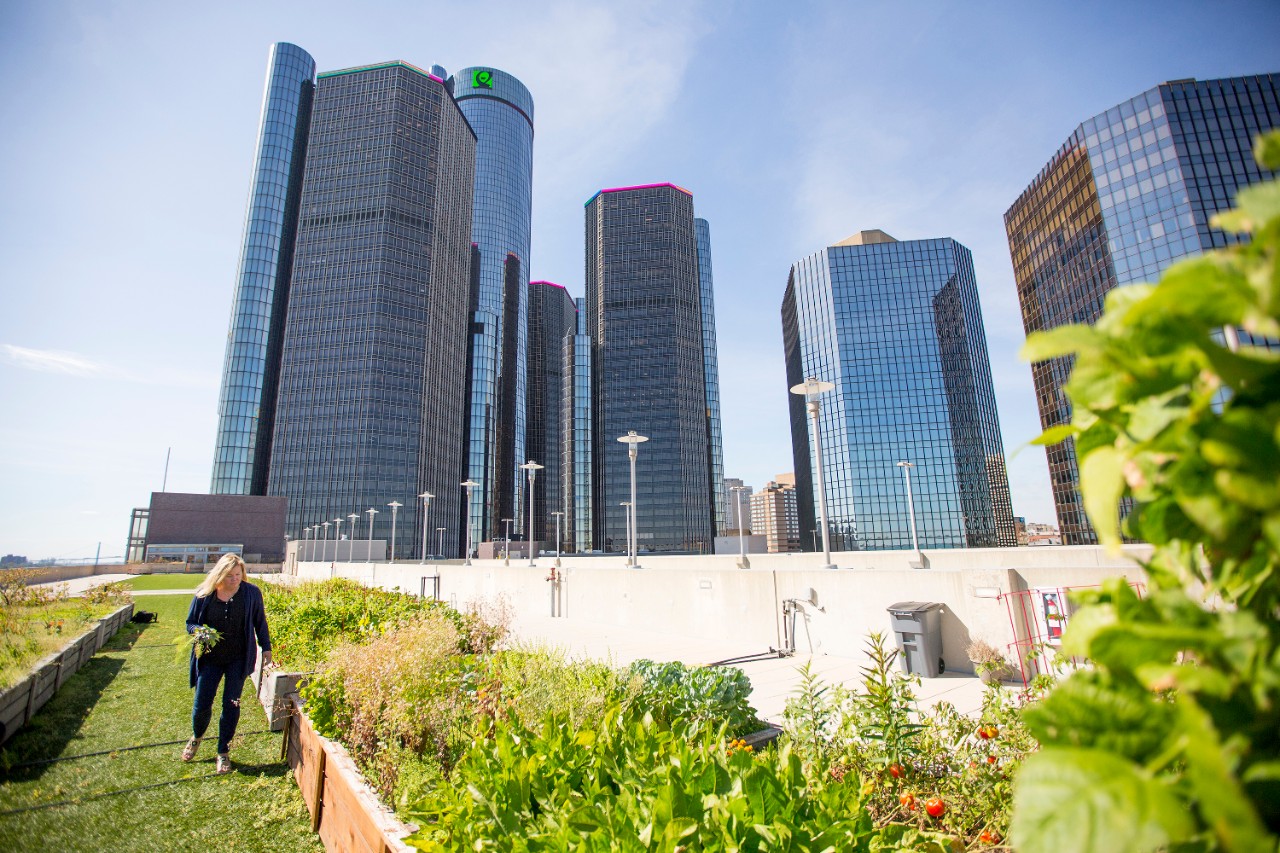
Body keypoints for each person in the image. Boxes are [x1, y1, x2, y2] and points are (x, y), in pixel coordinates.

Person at [181, 553, 272, 773]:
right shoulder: (205, 594)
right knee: (202, 702)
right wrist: (200, 632)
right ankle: (197, 736)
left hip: (238, 658)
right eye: (230, 575)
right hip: (210, 658)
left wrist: (266, 646)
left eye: (238, 575)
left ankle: (223, 751)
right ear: (220, 574)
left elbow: (260, 621)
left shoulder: (251, 593)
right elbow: (190, 623)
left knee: (231, 704)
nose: (234, 580)